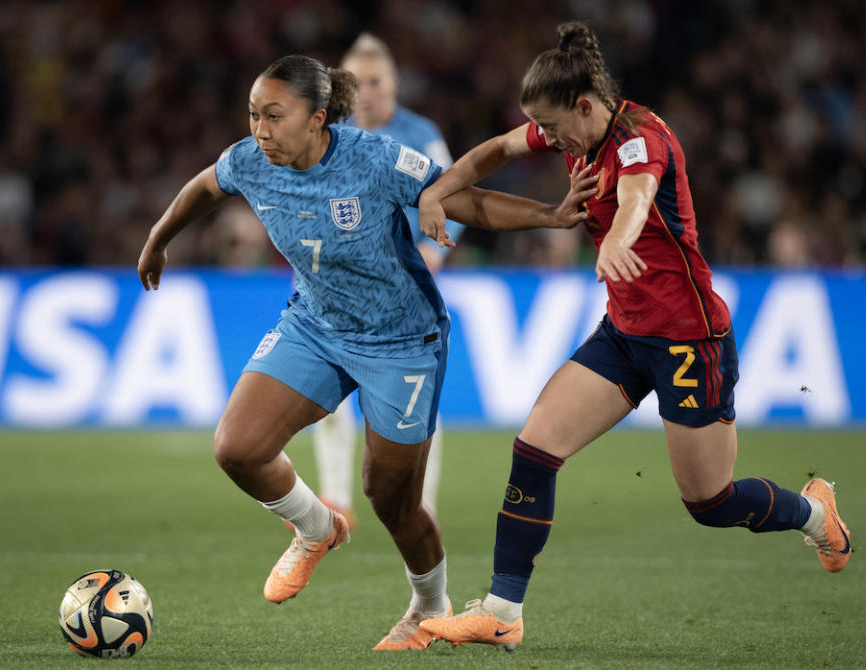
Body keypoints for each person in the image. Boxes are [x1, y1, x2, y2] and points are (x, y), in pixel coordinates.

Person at [136, 54, 597, 650]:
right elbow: (204, 187)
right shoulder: (251, 161)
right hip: (316, 327)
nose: (260, 130)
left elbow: (463, 199)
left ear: (318, 118)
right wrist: (157, 239)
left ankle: (428, 607)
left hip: (402, 343)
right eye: (253, 115)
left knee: (390, 497)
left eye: (275, 116)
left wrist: (550, 217)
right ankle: (314, 527)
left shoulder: (374, 160)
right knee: (237, 448)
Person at [416, 22, 852, 651]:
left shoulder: (642, 140)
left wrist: (617, 240)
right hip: (624, 332)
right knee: (535, 448)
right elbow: (497, 151)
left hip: (688, 341)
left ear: (586, 106)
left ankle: (814, 513)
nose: (552, 140)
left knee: (709, 501)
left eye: (557, 127)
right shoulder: (570, 124)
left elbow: (638, 198)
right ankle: (503, 611)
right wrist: (439, 188)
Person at [309, 33, 464, 528]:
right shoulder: (328, 134)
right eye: (357, 83)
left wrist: (432, 248)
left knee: (418, 402)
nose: (368, 92)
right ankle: (335, 501)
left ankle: (423, 504)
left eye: (376, 81)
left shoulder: (420, 133)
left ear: (393, 83)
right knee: (327, 393)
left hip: (404, 290)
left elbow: (452, 190)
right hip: (341, 287)